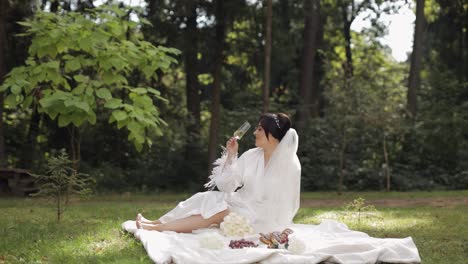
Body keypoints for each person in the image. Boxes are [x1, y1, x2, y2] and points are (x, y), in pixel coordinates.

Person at [136, 113, 301, 234]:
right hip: (240, 202)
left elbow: (287, 204)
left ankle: (158, 229)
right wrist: (231, 155)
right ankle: (157, 221)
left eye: (259, 129)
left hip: (262, 219)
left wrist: (273, 229)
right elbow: (226, 186)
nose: (253, 132)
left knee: (219, 212)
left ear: (271, 135)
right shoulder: (252, 155)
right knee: (205, 197)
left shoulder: (290, 165)